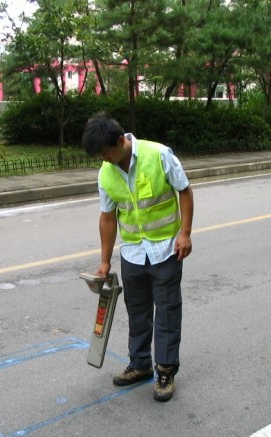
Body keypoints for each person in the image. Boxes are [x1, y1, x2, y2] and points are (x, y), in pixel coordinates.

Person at [82, 112, 194, 402]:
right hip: (132, 253)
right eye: (100, 156)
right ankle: (140, 364)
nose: (105, 160)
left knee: (167, 311)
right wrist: (105, 261)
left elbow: (184, 191)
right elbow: (108, 218)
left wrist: (185, 233)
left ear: (121, 141)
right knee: (137, 311)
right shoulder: (106, 173)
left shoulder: (159, 155)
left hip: (166, 249)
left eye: (106, 153)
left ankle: (165, 371)